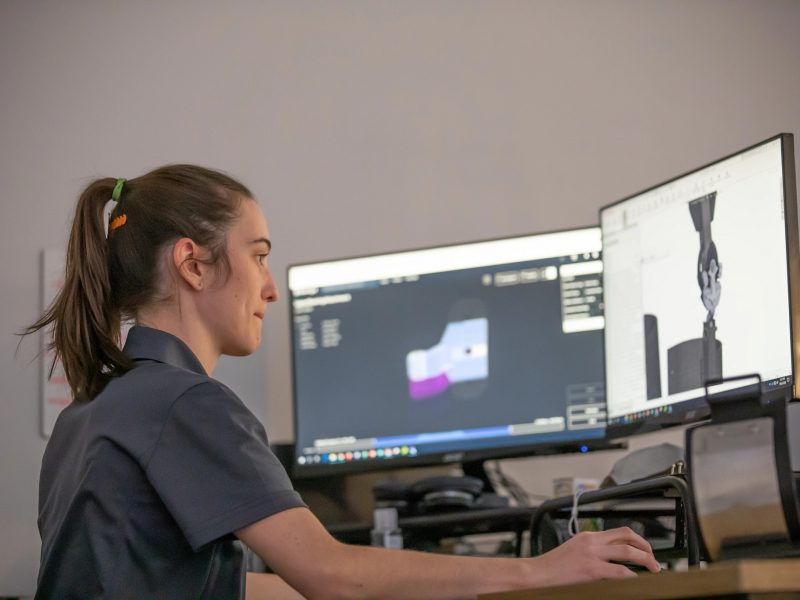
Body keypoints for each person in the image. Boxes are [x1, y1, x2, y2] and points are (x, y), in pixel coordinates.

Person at [24, 165, 660, 600]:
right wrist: (537, 573)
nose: (271, 288)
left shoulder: (93, 409)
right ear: (192, 263)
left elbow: (201, 587)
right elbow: (332, 574)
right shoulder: (187, 402)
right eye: (260, 255)